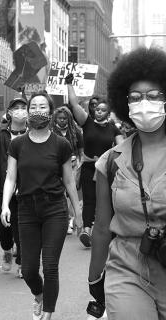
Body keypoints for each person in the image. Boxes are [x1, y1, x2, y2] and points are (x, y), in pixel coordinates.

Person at [88, 47, 166, 320]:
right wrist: (95, 279)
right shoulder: (110, 161)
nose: (144, 103)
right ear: (125, 103)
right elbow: (103, 228)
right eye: (136, 97)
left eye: (153, 96)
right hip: (127, 267)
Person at [1, 91, 81, 320]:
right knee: (28, 270)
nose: (37, 110)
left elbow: (68, 182)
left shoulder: (61, 144)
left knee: (50, 266)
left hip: (54, 209)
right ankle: (39, 295)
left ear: (51, 112)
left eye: (42, 107)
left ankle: (47, 314)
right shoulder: (17, 144)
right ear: (28, 111)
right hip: (26, 209)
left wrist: (78, 213)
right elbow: (10, 178)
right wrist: (5, 205)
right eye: (33, 106)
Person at [65, 75, 123, 247]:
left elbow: (121, 148)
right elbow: (74, 104)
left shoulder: (113, 128)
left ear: (108, 112)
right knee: (89, 199)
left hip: (107, 169)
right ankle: (87, 230)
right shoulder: (87, 122)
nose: (98, 111)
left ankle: (111, 231)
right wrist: (69, 84)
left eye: (103, 109)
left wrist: (108, 158)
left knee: (107, 199)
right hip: (89, 168)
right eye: (96, 108)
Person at [0, 97, 28, 277]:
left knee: (23, 228)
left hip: (26, 189)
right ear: (9, 112)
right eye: (15, 107)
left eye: (23, 107)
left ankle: (22, 261)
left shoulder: (34, 132)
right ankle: (6, 250)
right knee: (3, 227)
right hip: (3, 188)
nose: (20, 110)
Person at [50, 105, 83, 234]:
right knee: (60, 191)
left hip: (73, 165)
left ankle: (70, 220)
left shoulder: (76, 131)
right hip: (55, 165)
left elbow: (81, 151)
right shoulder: (50, 130)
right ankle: (63, 218)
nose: (62, 120)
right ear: (55, 118)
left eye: (64, 118)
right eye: (59, 118)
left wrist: (79, 164)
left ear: (68, 119)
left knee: (70, 192)